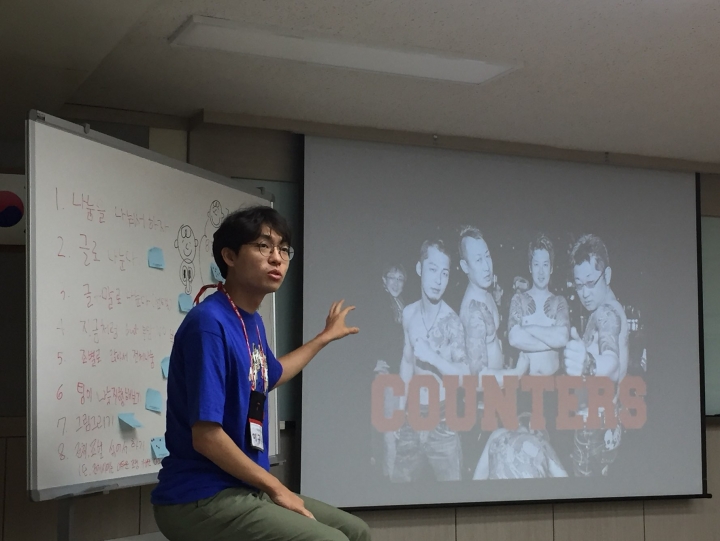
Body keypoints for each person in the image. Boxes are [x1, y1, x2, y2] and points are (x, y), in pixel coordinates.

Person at [151, 206, 370, 541]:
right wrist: (277, 489)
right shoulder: (208, 324)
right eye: (264, 246)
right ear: (230, 256)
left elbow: (271, 375)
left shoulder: (250, 320)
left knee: (356, 531)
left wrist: (323, 337)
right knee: (331, 540)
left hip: (244, 488)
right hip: (199, 497)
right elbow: (206, 437)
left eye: (283, 249)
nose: (277, 258)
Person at [393, 240, 470, 482]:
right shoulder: (409, 314)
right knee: (399, 489)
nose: (438, 280)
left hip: (444, 421)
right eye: (433, 270)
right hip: (412, 417)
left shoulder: (452, 322)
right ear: (419, 269)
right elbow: (407, 363)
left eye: (444, 273)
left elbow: (465, 377)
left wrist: (433, 357)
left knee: (452, 493)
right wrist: (398, 411)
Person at [564, 234, 629, 476]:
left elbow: (612, 364)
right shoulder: (609, 308)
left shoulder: (606, 313)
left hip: (593, 431)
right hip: (605, 426)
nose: (584, 293)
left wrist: (587, 363)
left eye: (591, 282)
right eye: (579, 285)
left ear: (607, 275)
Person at [507, 234, 570, 378]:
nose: (541, 271)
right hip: (525, 383)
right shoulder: (518, 300)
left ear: (551, 268)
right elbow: (514, 338)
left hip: (553, 383)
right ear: (530, 267)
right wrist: (551, 340)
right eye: (536, 265)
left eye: (545, 265)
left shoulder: (559, 301)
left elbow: (562, 338)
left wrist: (527, 329)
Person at [371, 264, 406, 479]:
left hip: (401, 371)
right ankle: (387, 477)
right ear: (384, 280)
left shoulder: (401, 303)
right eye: (393, 278)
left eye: (401, 279)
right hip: (388, 372)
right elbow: (376, 336)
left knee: (398, 427)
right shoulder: (380, 304)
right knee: (389, 428)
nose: (397, 283)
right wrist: (376, 362)